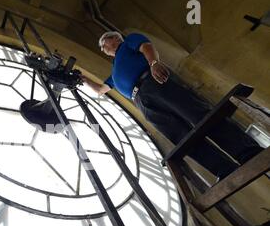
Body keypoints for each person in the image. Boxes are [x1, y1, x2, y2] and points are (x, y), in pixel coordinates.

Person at [82, 31, 263, 179]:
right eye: (102, 47)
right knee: (181, 137)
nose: (103, 48)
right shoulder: (114, 72)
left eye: (104, 43)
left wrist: (154, 63)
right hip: (142, 102)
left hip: (154, 81)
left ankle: (246, 150)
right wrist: (81, 78)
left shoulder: (128, 42)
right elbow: (100, 89)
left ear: (114, 38)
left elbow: (146, 47)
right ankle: (224, 169)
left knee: (198, 114)